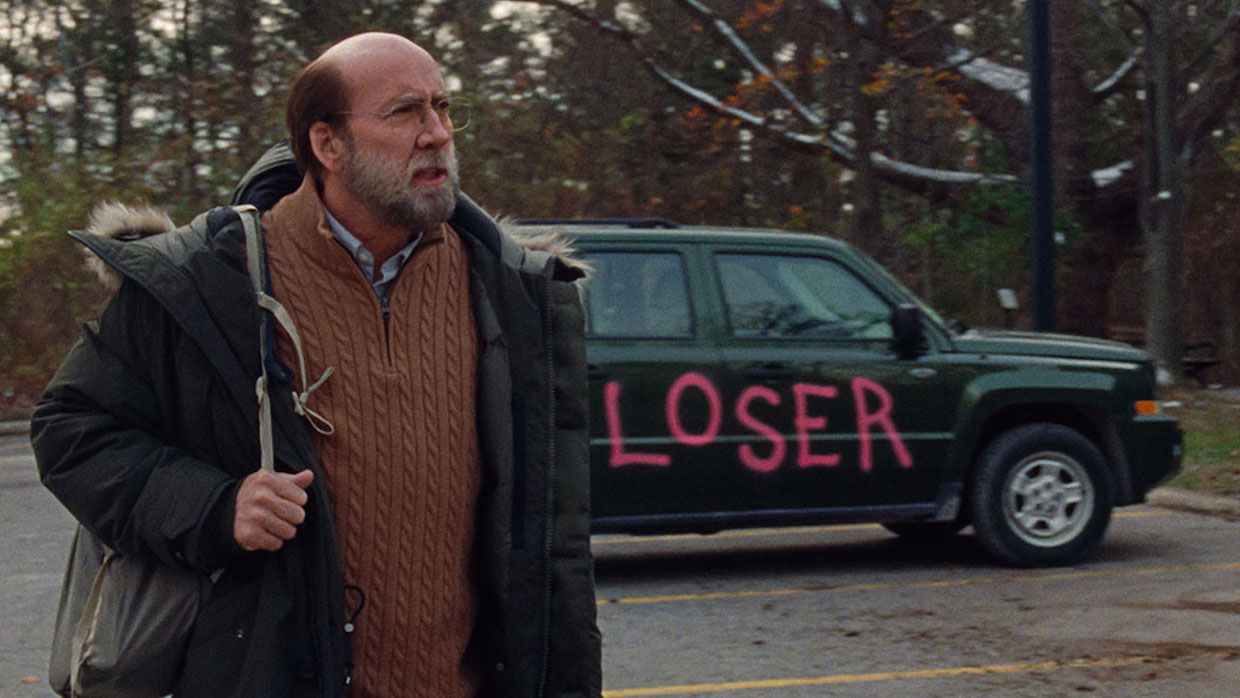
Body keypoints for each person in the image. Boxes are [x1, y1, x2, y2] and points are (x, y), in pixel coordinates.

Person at [33, 32, 601, 697]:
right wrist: (215, 507)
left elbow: (553, 555)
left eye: (444, 108)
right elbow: (71, 429)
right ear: (326, 145)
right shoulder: (206, 283)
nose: (437, 134)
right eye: (405, 112)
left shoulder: (516, 293)